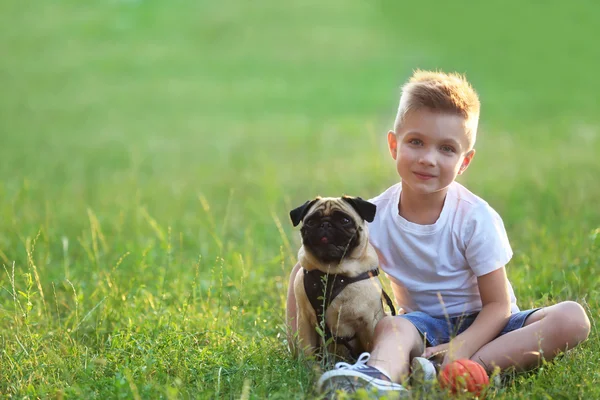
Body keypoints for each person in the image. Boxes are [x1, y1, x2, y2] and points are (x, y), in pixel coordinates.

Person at [285, 70, 591, 395]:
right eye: (416, 142)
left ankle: (468, 367)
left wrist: (462, 346)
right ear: (393, 145)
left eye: (446, 149)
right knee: (392, 327)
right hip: (422, 326)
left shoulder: (474, 218)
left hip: (491, 327)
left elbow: (498, 306)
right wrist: (299, 345)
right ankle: (376, 378)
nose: (428, 159)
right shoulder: (372, 217)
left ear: (464, 162)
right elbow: (305, 269)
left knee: (572, 318)